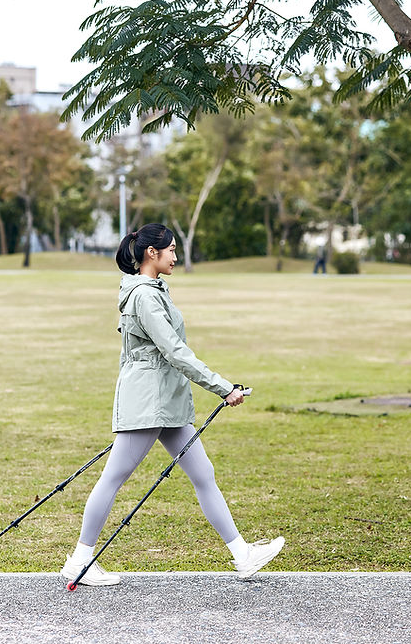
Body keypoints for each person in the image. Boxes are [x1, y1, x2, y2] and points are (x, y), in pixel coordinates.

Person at [60, 223, 284, 587]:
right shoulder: (145, 297)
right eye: (172, 250)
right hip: (151, 403)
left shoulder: (153, 290)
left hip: (166, 402)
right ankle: (79, 560)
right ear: (152, 253)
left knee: (203, 474)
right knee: (113, 478)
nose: (176, 257)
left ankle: (243, 555)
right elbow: (174, 351)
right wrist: (224, 387)